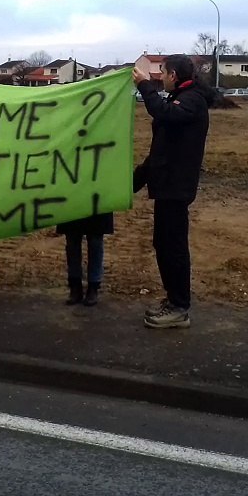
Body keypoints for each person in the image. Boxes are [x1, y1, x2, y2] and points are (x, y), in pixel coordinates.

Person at [132, 54, 209, 328]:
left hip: (176, 188)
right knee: (163, 245)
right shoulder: (180, 98)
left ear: (174, 75)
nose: (160, 76)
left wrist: (144, 87)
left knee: (173, 247)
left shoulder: (192, 101)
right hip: (166, 186)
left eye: (162, 72)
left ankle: (179, 307)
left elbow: (165, 114)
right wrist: (135, 181)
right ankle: (173, 300)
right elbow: (160, 152)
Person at [58, 212, 113, 306]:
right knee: (72, 240)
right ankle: (75, 286)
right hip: (72, 203)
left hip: (98, 203)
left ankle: (93, 287)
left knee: (95, 241)